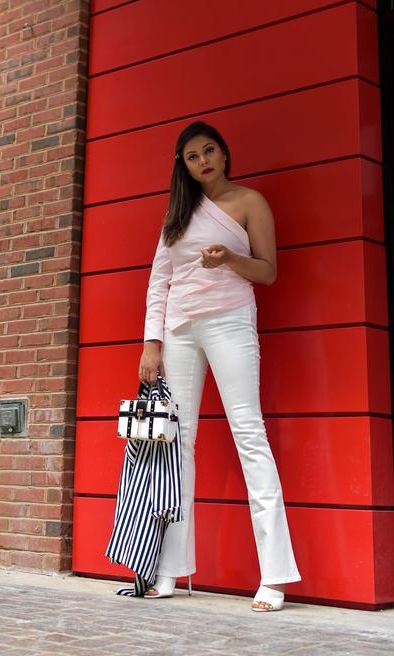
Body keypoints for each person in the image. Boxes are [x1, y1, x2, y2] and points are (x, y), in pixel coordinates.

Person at [138, 120, 301, 612]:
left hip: (230, 322)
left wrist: (230, 256)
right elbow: (158, 281)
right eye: (192, 156)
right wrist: (152, 343)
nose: (203, 160)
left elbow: (268, 272)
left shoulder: (250, 202)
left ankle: (273, 575)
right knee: (175, 444)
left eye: (209, 150)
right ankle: (168, 569)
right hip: (179, 330)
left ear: (224, 154)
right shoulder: (177, 213)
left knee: (249, 434)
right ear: (183, 165)